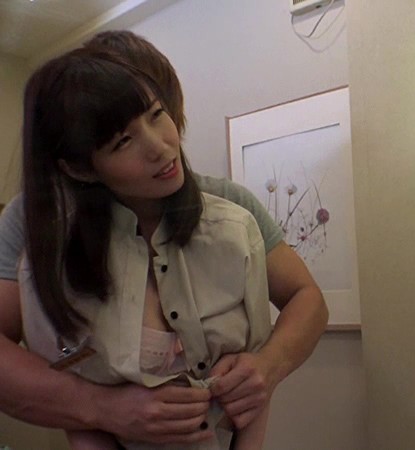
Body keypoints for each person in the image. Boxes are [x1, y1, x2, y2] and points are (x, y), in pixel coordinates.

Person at [0, 31, 328, 446]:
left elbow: (307, 299)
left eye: (158, 113)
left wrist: (267, 367)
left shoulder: (230, 215)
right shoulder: (44, 226)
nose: (160, 147)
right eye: (122, 139)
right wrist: (100, 408)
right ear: (81, 165)